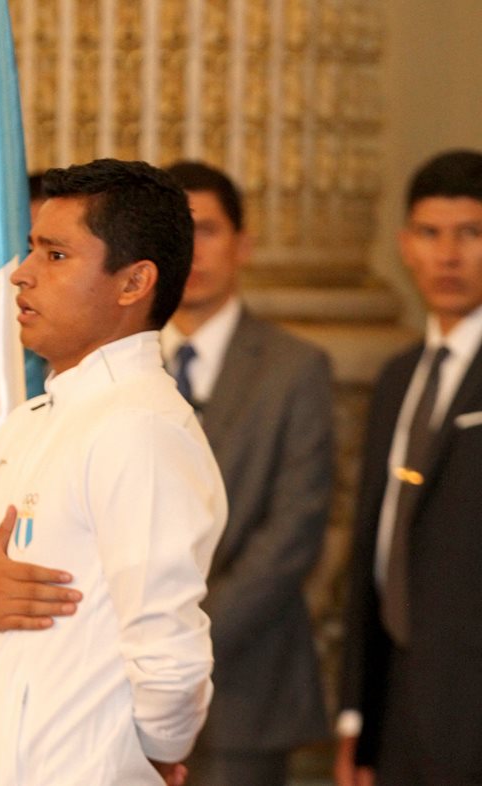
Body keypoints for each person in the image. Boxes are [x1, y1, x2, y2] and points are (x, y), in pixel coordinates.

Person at [0, 160, 227, 785]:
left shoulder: (141, 429)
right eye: (31, 249)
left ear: (134, 282)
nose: (22, 275)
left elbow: (169, 655)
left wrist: (151, 756)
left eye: (55, 256)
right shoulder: (30, 422)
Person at [161, 161, 334, 786]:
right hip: (115, 687)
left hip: (243, 690)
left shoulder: (296, 369)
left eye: (207, 229)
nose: (194, 249)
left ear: (243, 245)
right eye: (177, 231)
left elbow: (294, 534)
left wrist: (179, 637)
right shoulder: (117, 368)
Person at [336, 149, 482, 786]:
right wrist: (355, 718)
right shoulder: (399, 377)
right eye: (430, 234)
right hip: (398, 711)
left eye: (471, 234)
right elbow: (377, 546)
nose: (447, 256)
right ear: (404, 245)